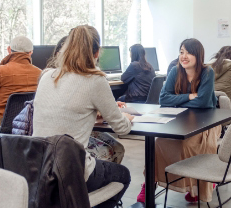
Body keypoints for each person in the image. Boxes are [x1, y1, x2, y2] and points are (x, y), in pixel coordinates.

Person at [32, 25, 134, 208]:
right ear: (96, 53)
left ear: (66, 48)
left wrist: (92, 113)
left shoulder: (46, 76)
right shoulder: (95, 80)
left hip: (37, 168)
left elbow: (64, 113)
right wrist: (126, 117)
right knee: (123, 175)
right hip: (69, 171)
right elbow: (122, 128)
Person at [136, 38, 220, 204]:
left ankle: (197, 186)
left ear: (198, 55)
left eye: (189, 52)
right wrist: (189, 96)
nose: (184, 56)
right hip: (179, 121)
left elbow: (203, 102)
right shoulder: (176, 71)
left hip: (206, 123)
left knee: (187, 145)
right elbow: (163, 99)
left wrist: (177, 100)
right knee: (158, 143)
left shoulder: (207, 72)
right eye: (182, 52)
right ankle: (149, 184)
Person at [0, 36, 41, 133]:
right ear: (31, 52)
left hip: (2, 123)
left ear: (9, 49)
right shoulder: (40, 73)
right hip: (28, 124)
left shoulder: (0, 71)